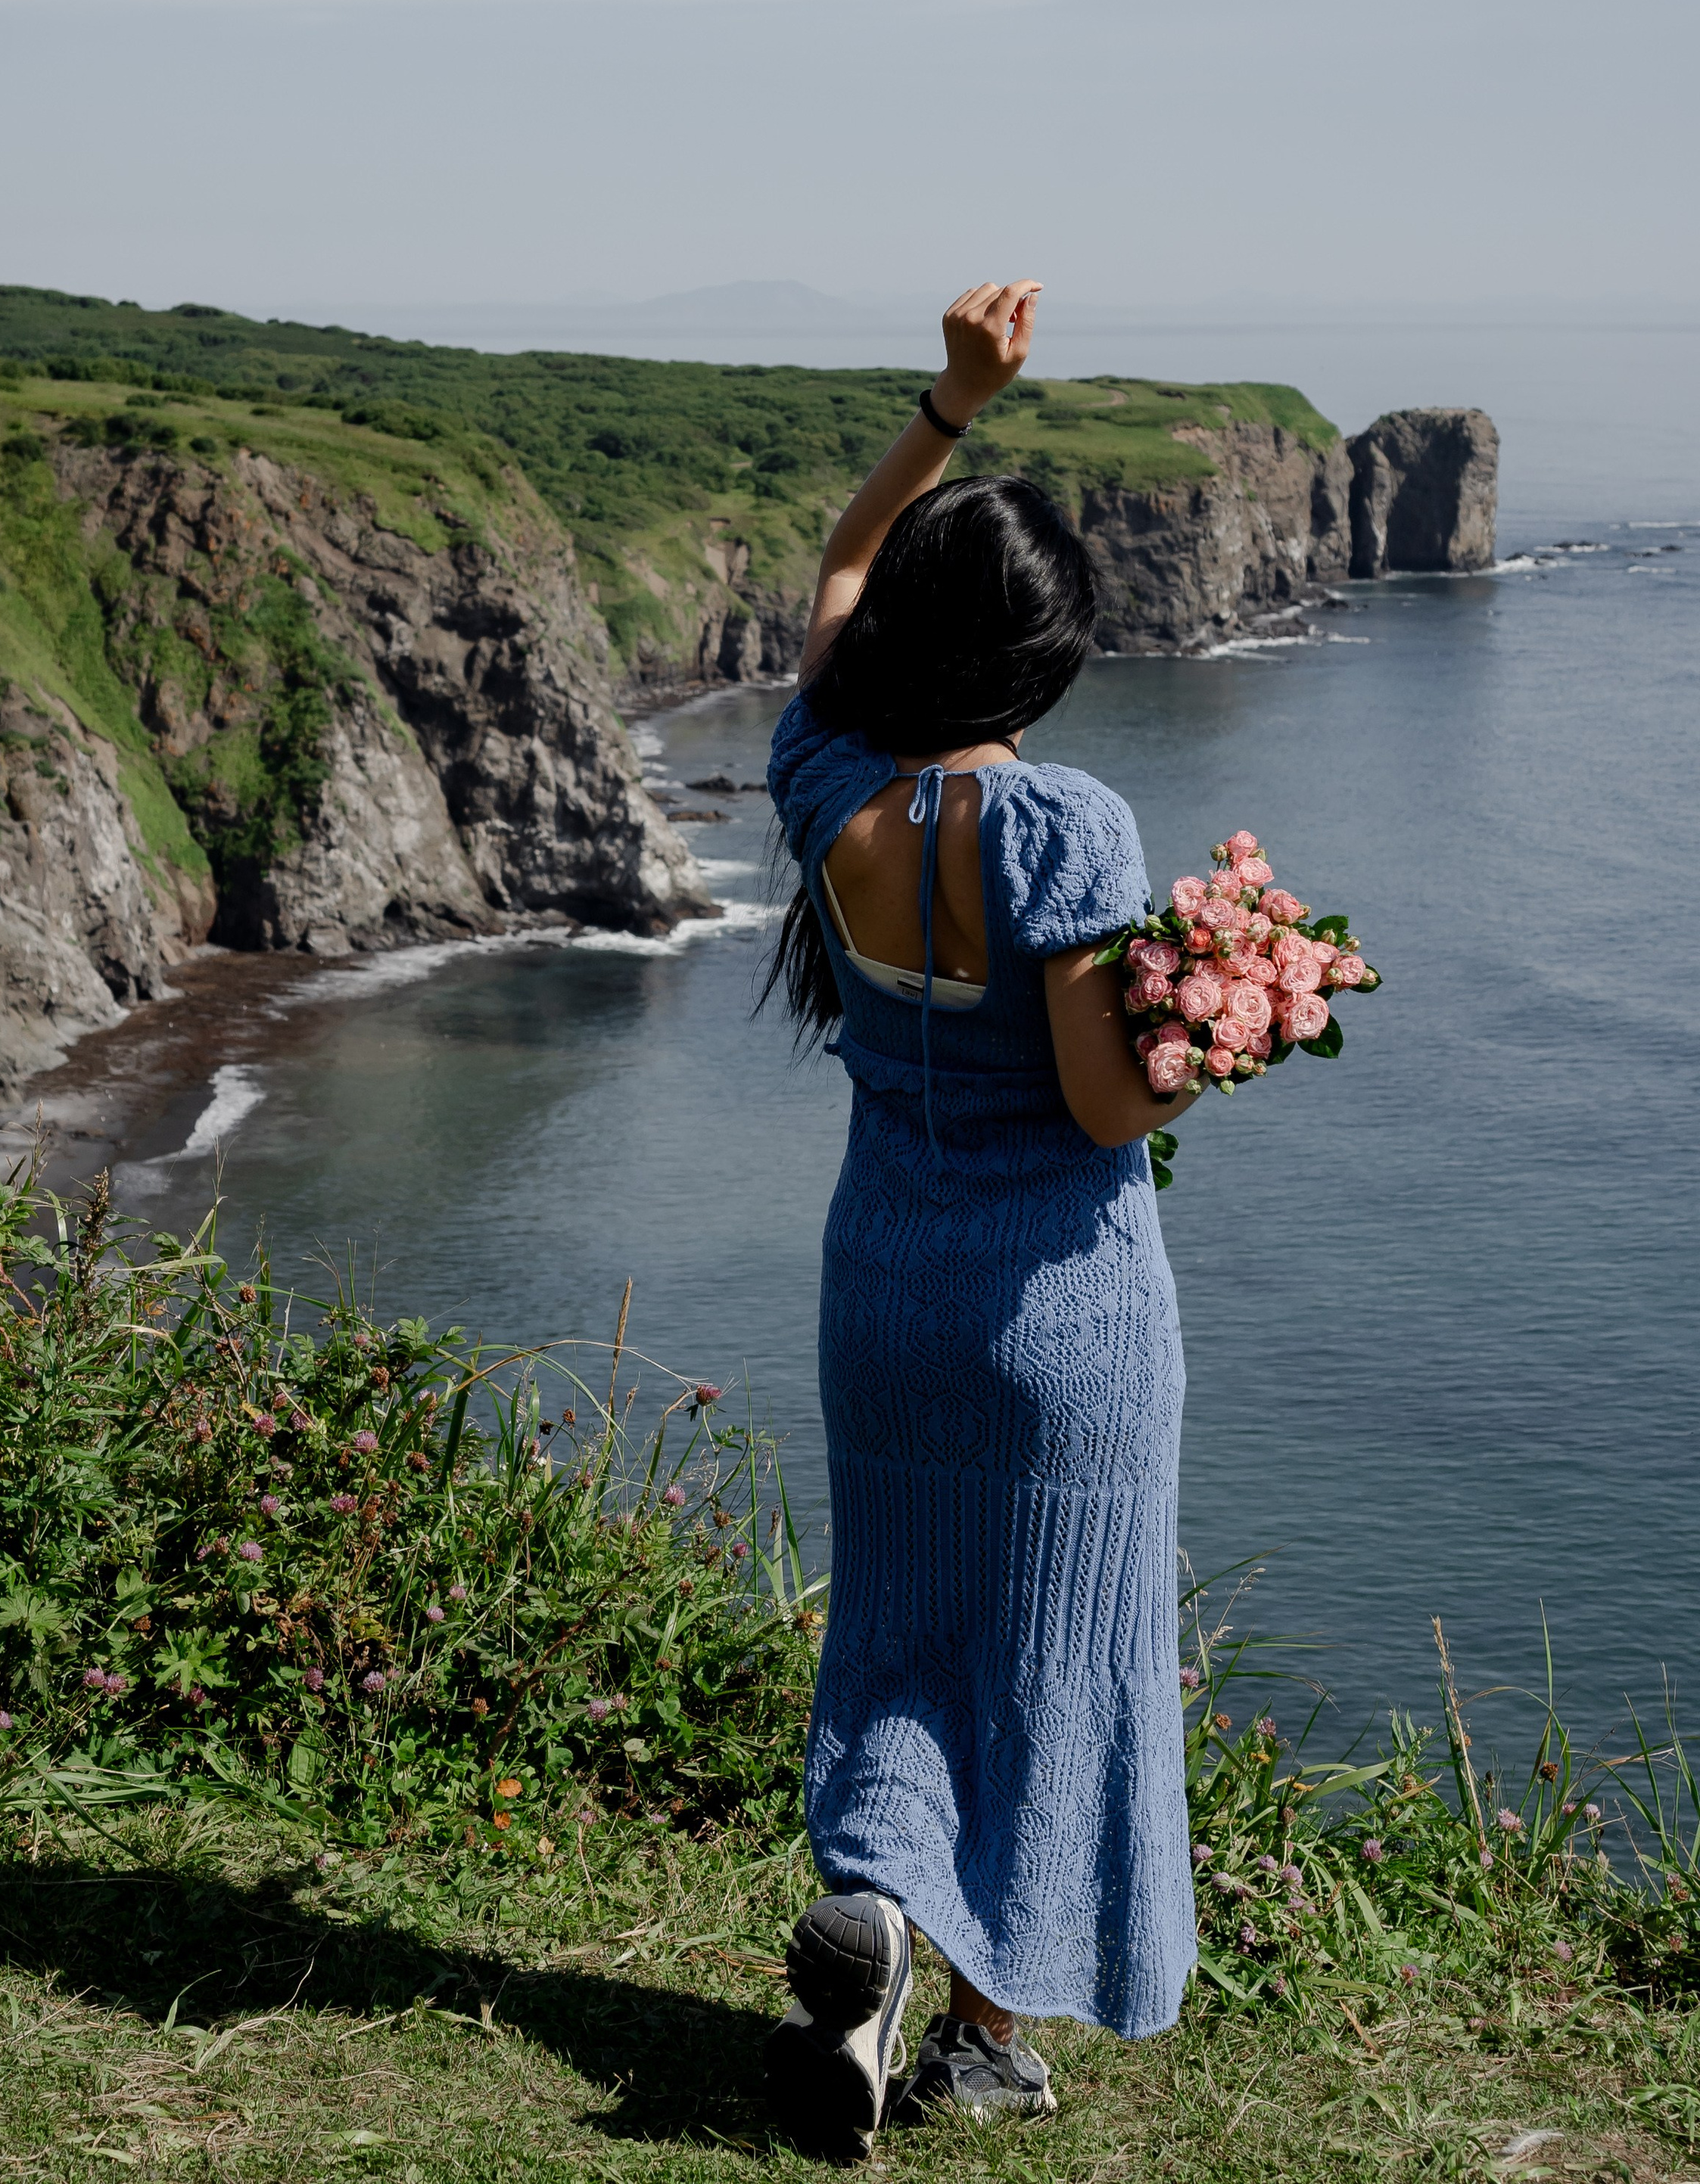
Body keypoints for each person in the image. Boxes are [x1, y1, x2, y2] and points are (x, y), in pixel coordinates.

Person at [760, 281, 1202, 2158]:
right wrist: (1218, 1034)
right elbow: (1106, 1101)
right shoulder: (1063, 833)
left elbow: (838, 585)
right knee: (1050, 1653)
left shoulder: (821, 785)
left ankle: (876, 1879)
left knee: (906, 1622)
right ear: (1036, 664)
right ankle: (987, 2029)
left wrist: (946, 406)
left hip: (884, 1291)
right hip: (1056, 1314)